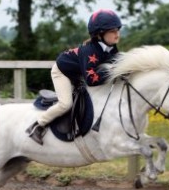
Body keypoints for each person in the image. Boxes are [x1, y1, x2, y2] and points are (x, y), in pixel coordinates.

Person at [26, 9, 122, 145]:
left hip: (77, 74)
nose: (117, 34)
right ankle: (38, 125)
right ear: (100, 34)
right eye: (112, 31)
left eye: (118, 30)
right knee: (66, 104)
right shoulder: (90, 51)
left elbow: (117, 61)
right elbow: (92, 79)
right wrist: (114, 72)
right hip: (62, 72)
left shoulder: (110, 47)